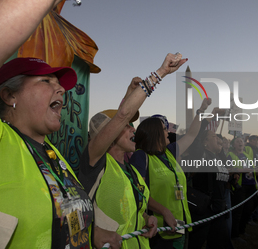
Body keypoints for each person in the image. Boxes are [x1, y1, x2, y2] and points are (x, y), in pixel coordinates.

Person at [0, 0, 96, 248]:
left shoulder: (52, 154)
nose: (61, 90)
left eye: (59, 84)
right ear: (9, 94)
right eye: (46, 81)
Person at [78, 54, 188, 249]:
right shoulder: (95, 162)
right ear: (107, 134)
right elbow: (122, 114)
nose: (133, 129)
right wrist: (160, 73)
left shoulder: (131, 170)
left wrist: (147, 218)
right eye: (126, 126)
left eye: (132, 125)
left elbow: (131, 208)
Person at [130, 98, 212, 249]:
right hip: (157, 230)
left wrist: (201, 110)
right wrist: (163, 211)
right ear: (154, 133)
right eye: (164, 129)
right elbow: (138, 194)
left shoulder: (170, 152)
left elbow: (192, 135)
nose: (169, 132)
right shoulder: (141, 157)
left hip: (179, 225)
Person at [187, 125, 232, 249]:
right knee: (195, 243)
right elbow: (195, 138)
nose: (218, 138)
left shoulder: (218, 157)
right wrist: (206, 117)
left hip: (219, 209)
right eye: (214, 136)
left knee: (219, 243)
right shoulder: (201, 155)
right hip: (204, 210)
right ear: (205, 142)